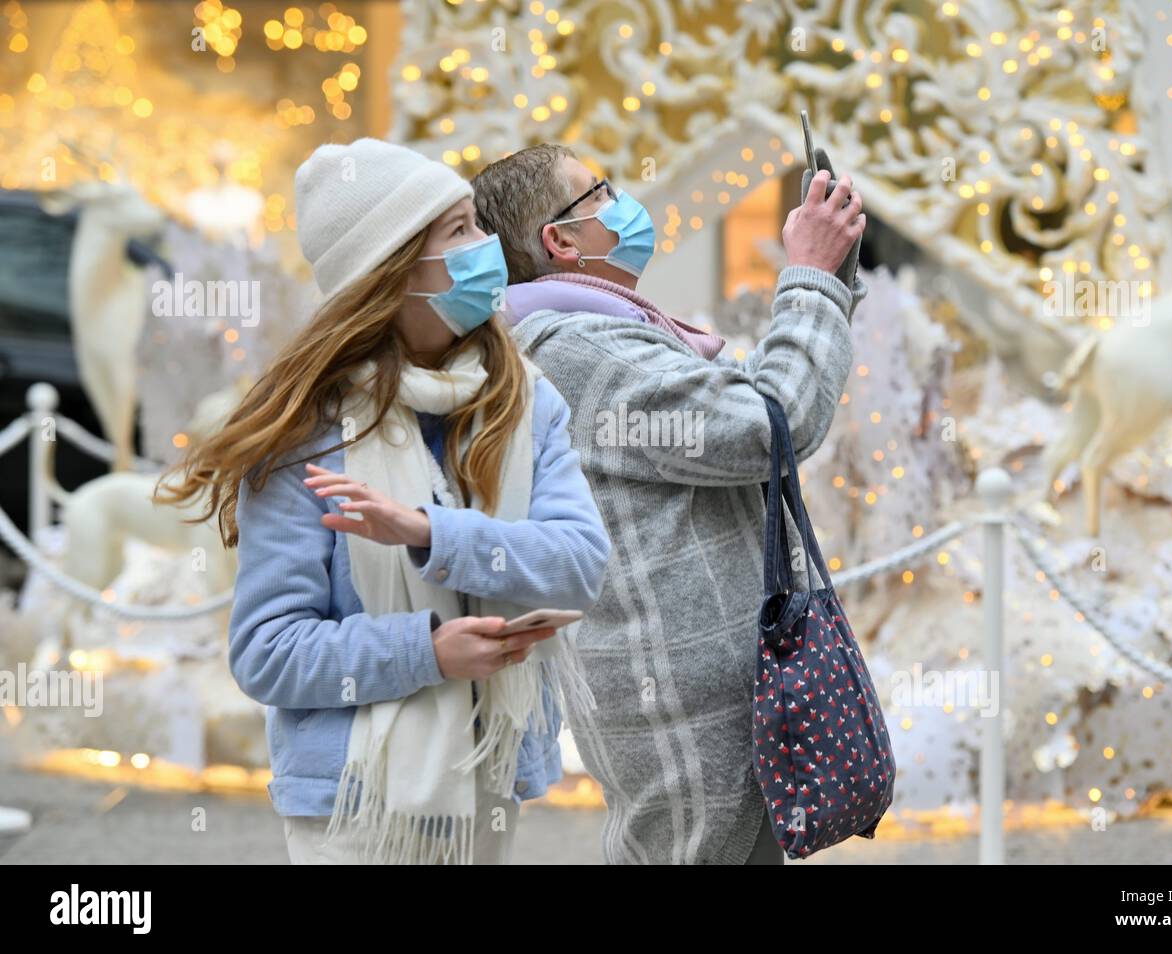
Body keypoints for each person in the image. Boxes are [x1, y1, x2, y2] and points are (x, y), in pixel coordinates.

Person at [158, 138, 610, 864]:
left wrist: (431, 532)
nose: (488, 245)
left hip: (488, 783)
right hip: (354, 809)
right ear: (394, 271)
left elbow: (581, 565)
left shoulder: (525, 401)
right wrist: (427, 653)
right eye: (459, 230)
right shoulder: (306, 431)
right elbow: (267, 653)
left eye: (479, 225)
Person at [470, 143, 867, 863]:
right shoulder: (574, 348)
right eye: (600, 190)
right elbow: (773, 421)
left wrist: (829, 273)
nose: (624, 202)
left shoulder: (611, 330)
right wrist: (809, 278)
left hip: (713, 697)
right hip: (679, 711)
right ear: (560, 241)